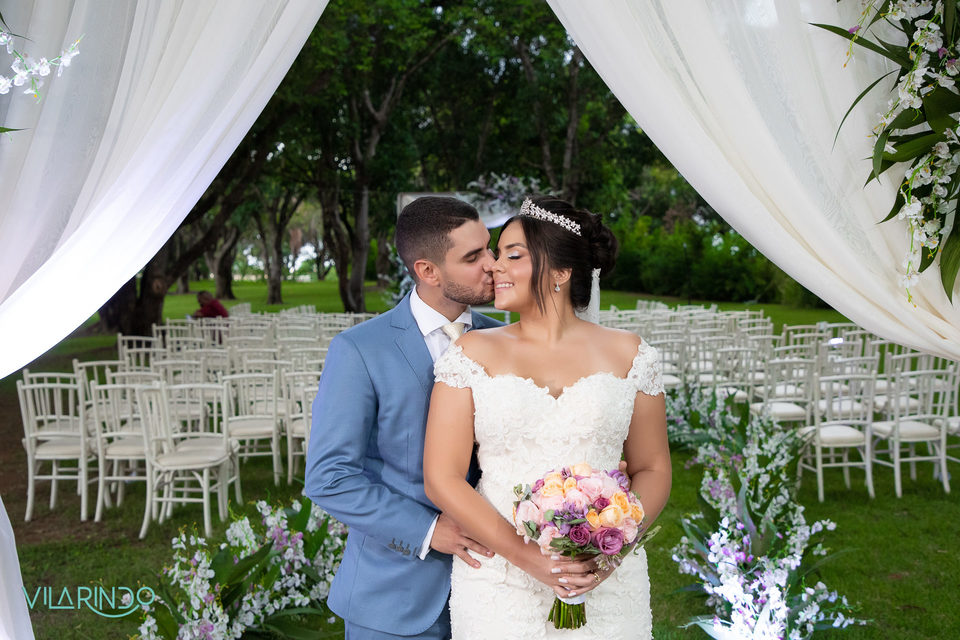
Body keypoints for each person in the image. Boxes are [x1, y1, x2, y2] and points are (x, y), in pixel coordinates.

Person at [424, 196, 672, 638]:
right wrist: (529, 558)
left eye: (512, 255)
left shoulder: (631, 355)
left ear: (561, 272)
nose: (494, 266)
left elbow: (652, 467)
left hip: (604, 579)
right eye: (496, 255)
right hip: (500, 580)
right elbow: (442, 477)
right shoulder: (469, 355)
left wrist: (610, 552)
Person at [305, 196, 518, 639]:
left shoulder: (505, 340)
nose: (493, 265)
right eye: (474, 256)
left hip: (498, 592)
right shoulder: (359, 350)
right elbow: (329, 477)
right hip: (393, 598)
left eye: (491, 249)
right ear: (427, 271)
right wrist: (426, 530)